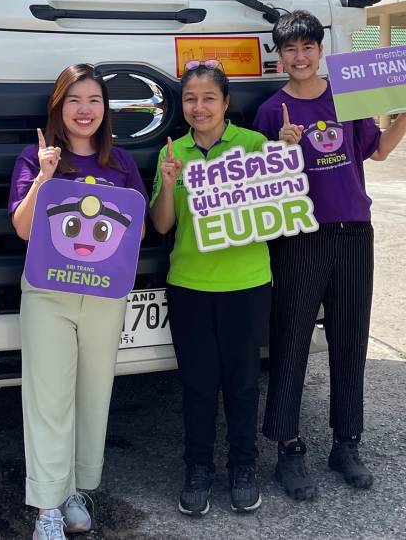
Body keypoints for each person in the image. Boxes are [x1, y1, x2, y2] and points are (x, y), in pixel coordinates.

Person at [252, 10, 406, 500]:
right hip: (299, 237)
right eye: (290, 50)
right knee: (290, 339)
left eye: (307, 47)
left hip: (354, 233)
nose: (300, 57)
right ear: (280, 57)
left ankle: (347, 444)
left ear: (321, 51)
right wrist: (278, 149)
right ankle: (288, 448)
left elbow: (378, 151)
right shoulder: (271, 111)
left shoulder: (348, 98)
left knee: (350, 339)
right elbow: (257, 185)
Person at [8, 64, 148, 540]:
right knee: (48, 399)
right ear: (58, 107)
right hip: (49, 293)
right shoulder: (35, 157)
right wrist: (44, 178)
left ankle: (74, 490)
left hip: (104, 295)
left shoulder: (121, 163)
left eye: (94, 100)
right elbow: (23, 228)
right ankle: (46, 507)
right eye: (74, 100)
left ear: (105, 109)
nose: (84, 110)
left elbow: (137, 231)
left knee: (93, 396)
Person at [151, 60, 270, 517]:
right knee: (198, 386)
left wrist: (284, 159)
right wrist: (168, 184)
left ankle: (244, 467)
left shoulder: (253, 145)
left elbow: (277, 210)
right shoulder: (172, 151)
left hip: (247, 283)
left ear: (226, 103)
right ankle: (197, 468)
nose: (199, 107)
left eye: (208, 98)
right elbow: (163, 225)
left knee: (243, 385)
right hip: (189, 285)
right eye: (190, 99)